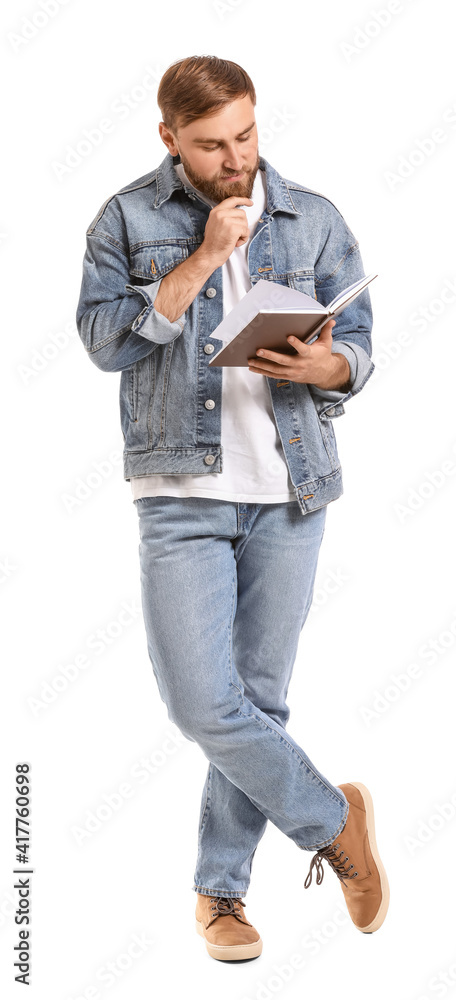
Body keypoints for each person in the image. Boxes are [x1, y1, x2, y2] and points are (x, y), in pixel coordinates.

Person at [76, 55, 389, 963]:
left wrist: (327, 367)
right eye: (212, 145)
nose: (236, 158)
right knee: (200, 701)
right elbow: (104, 342)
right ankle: (335, 820)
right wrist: (207, 255)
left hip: (293, 492)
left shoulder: (314, 216)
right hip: (180, 495)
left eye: (246, 136)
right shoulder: (126, 218)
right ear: (169, 138)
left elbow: (359, 349)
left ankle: (222, 896)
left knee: (258, 701)